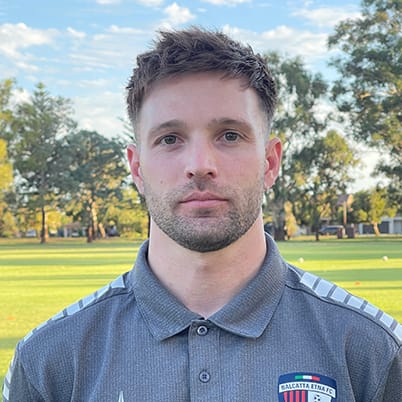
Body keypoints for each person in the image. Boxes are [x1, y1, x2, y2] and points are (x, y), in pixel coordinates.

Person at [3, 27, 401, 402]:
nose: (199, 165)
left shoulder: (371, 349)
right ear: (137, 168)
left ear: (270, 162)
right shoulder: (48, 360)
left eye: (230, 135)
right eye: (169, 139)